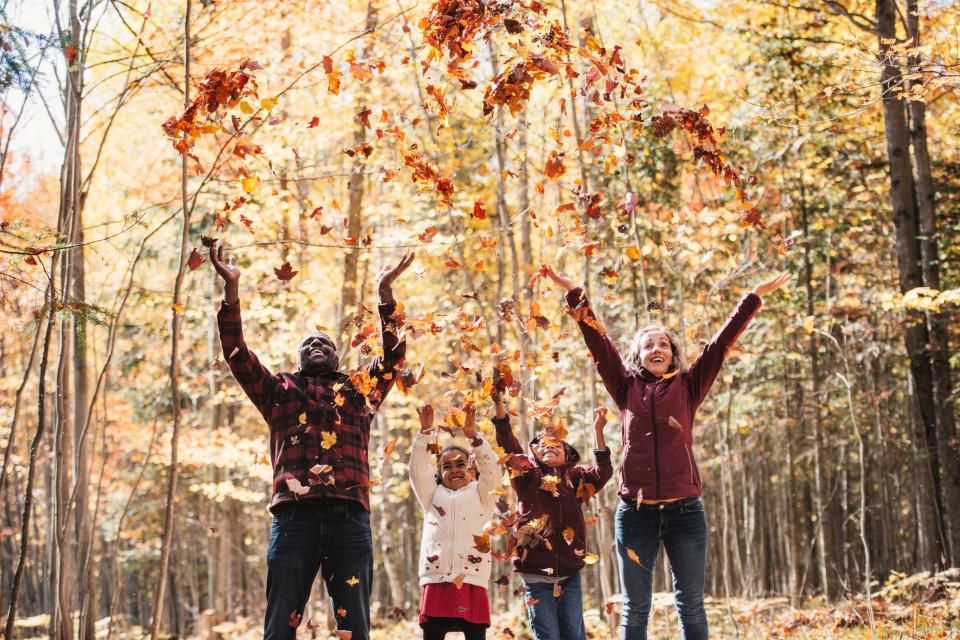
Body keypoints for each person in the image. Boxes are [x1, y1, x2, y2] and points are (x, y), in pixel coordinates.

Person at [540, 264, 790, 640]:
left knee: (690, 604)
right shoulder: (625, 388)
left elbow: (719, 345)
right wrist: (576, 294)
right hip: (635, 515)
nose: (656, 349)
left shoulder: (690, 386)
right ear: (638, 357)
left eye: (664, 344)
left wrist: (752, 298)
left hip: (685, 513)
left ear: (674, 355)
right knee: (636, 608)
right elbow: (598, 344)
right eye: (648, 345)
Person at [210, 241, 415, 640]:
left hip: (349, 518)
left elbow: (393, 356)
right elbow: (236, 353)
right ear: (300, 358)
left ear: (337, 357)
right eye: (309, 344)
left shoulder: (359, 389)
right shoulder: (279, 390)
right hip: (293, 519)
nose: (317, 345)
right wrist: (231, 292)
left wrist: (385, 295)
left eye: (325, 343)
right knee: (280, 624)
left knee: (354, 626)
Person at [493, 385, 613, 640]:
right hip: (535, 573)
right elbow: (508, 445)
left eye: (556, 444)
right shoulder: (526, 476)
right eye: (541, 445)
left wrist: (598, 432)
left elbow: (603, 473)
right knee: (548, 634)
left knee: (573, 634)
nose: (549, 446)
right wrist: (500, 410)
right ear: (533, 454)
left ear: (568, 454)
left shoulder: (577, 477)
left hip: (569, 572)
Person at [409, 402, 501, 640]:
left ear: (472, 468)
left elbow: (492, 472)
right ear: (439, 473)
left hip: (472, 578)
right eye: (446, 466)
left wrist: (474, 437)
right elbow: (418, 471)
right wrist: (425, 432)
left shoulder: (482, 495)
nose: (454, 470)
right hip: (437, 578)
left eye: (461, 463)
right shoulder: (432, 496)